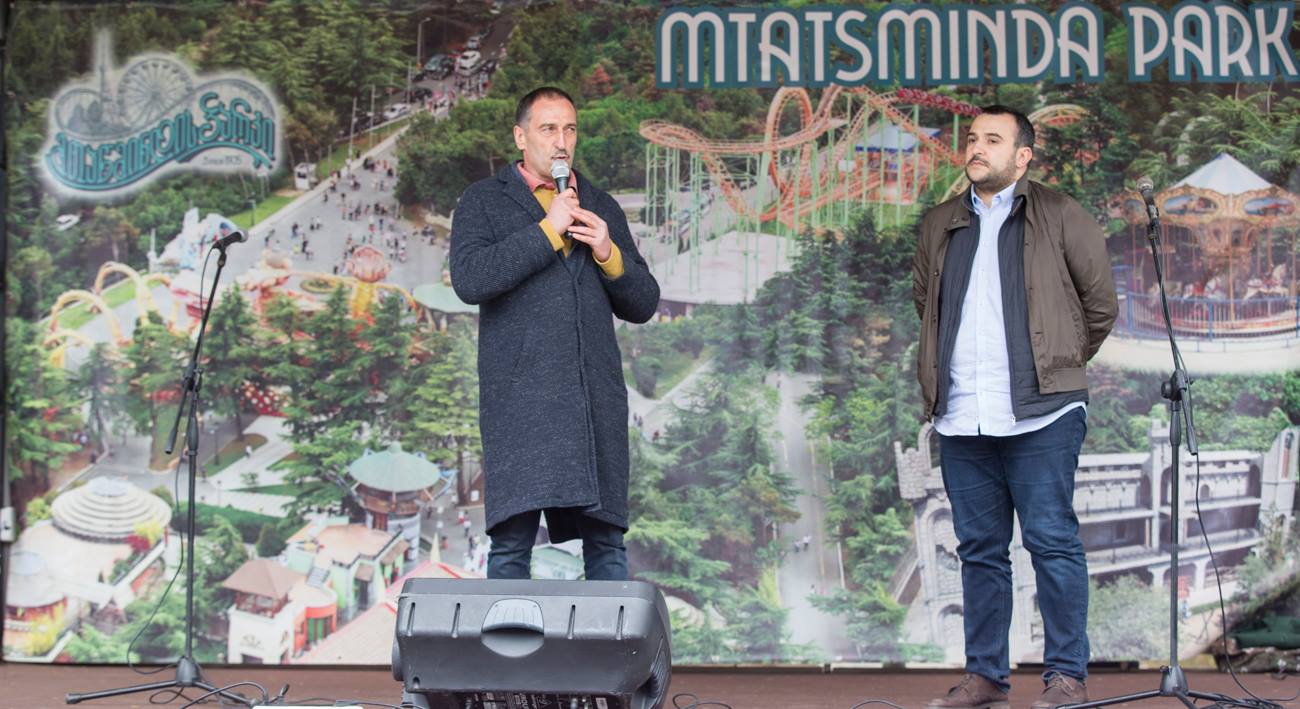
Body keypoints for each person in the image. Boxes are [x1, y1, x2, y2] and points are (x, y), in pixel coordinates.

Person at [912, 106, 1117, 709]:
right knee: (979, 550)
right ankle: (984, 676)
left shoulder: (1061, 214)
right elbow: (926, 302)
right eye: (973, 139)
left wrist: (1056, 365)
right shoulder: (940, 222)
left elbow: (1099, 306)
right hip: (961, 413)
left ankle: (1066, 676)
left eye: (993, 140)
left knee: (1051, 541)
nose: (976, 148)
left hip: (1043, 413)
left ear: (1023, 156)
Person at [449, 86, 660, 581]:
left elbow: (644, 303)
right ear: (520, 137)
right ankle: (506, 636)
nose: (561, 141)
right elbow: (470, 280)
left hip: (592, 403)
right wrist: (547, 231)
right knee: (511, 545)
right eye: (548, 129)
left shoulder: (600, 204)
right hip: (521, 402)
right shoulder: (483, 201)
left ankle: (611, 637)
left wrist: (609, 252)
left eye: (569, 129)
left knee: (606, 544)